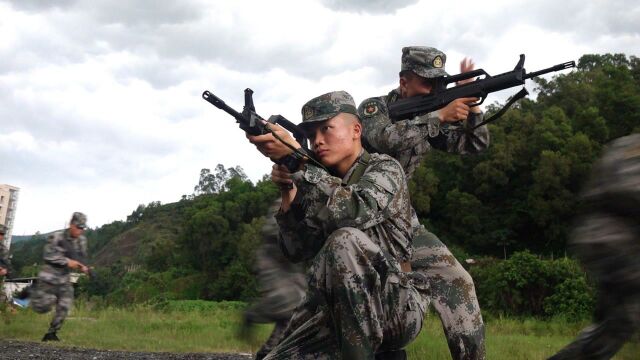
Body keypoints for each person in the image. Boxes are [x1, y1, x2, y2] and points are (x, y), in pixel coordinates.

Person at [253, 91, 428, 359]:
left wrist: (301, 161)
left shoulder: (385, 168)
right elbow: (296, 251)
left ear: (356, 129)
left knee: (344, 239)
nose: (318, 141)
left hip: (396, 306)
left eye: (326, 129)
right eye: (311, 136)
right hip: (338, 309)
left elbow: (355, 209)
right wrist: (288, 193)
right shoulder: (318, 183)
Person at [357, 46, 489, 360]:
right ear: (404, 82)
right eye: (427, 83)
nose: (435, 90)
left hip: (404, 221)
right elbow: (385, 139)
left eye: (439, 84)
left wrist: (473, 107)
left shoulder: (430, 114)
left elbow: (473, 145)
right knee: (382, 305)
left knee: (458, 281)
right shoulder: (375, 109)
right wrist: (438, 116)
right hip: (361, 218)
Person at [549, 134, 640, 360]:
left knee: (613, 329)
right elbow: (624, 190)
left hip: (613, 241)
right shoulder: (632, 148)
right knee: (615, 327)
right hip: (613, 240)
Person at [29, 212, 91, 342]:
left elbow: (81, 258)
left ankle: (51, 333)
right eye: (78, 227)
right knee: (42, 307)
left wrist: (84, 267)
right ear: (71, 224)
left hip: (64, 277)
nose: (80, 230)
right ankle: (32, 291)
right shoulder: (57, 237)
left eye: (82, 228)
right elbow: (48, 256)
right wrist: (67, 262)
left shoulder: (81, 241)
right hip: (49, 274)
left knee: (65, 304)